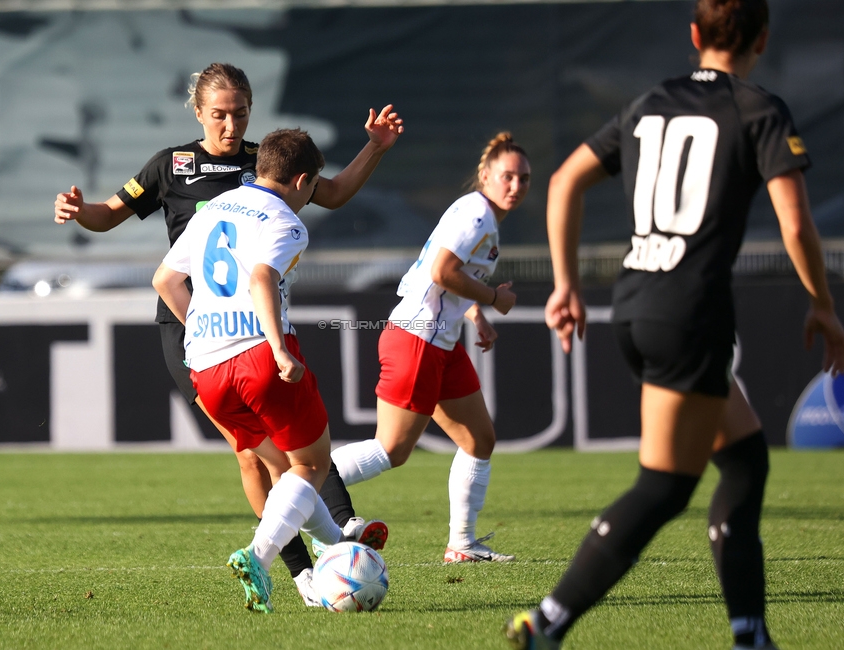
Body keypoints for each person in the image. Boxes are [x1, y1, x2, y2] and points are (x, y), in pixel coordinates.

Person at [504, 1, 844, 648]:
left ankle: (751, 632)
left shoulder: (648, 102)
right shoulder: (759, 109)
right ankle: (547, 622)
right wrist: (824, 305)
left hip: (636, 302)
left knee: (746, 460)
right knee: (664, 487)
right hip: (689, 311)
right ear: (763, 39)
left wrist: (568, 285)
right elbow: (798, 223)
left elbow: (564, 181)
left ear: (694, 36)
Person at [55, 63, 402, 605]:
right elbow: (109, 217)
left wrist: (374, 149)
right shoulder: (171, 166)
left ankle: (339, 536)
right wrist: (81, 213)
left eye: (240, 113)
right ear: (198, 113)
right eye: (219, 114)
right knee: (259, 457)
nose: (230, 125)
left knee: (287, 452)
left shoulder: (265, 163)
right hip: (191, 325)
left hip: (246, 324)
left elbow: (328, 194)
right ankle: (308, 572)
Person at [152, 128, 386, 613]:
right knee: (313, 466)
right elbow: (262, 275)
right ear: (302, 181)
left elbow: (165, 280)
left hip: (207, 368)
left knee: (285, 470)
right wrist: (278, 349)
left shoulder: (213, 208)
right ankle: (259, 556)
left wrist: (202, 330)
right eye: (311, 187)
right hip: (260, 356)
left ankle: (335, 545)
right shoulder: (286, 221)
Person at [330, 132, 531, 564]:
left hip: (442, 339)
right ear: (485, 175)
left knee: (479, 439)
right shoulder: (477, 213)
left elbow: (444, 274)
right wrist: (494, 299)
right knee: (392, 450)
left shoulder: (481, 216)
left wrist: (475, 314)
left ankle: (463, 543)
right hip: (418, 338)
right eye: (507, 176)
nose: (515, 186)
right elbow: (441, 271)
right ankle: (304, 484)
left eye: (524, 179)